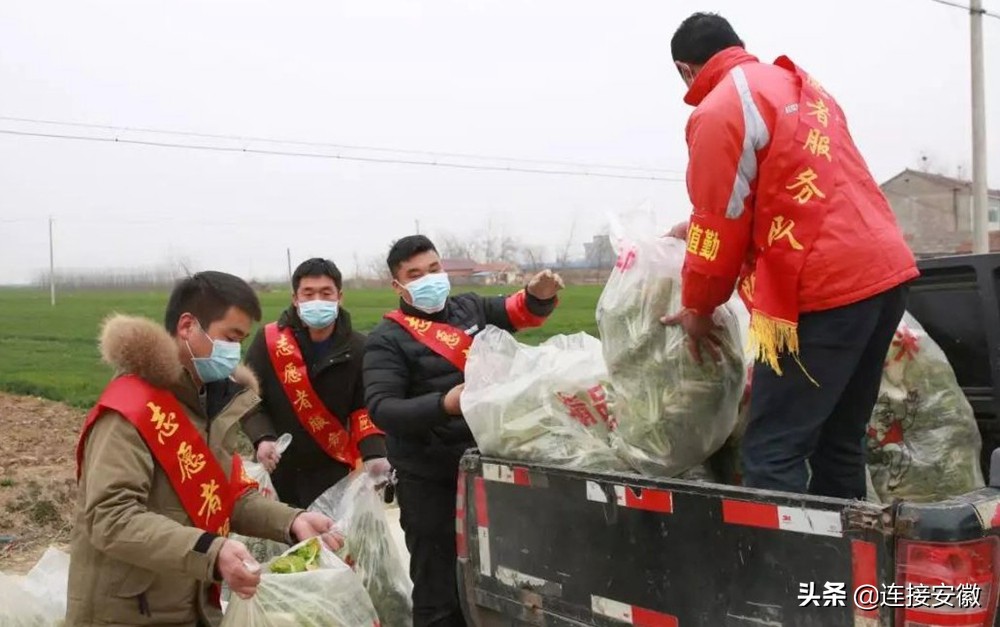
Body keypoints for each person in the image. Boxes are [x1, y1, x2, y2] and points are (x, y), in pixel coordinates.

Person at [662, 13, 919, 500]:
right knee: (838, 443)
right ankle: (842, 571)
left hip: (823, 293)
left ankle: (782, 576)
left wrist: (698, 308)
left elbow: (719, 225)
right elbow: (791, 194)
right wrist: (697, 225)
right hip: (884, 276)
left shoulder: (720, 108)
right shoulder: (800, 88)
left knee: (772, 453)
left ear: (686, 69)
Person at [68, 271, 340, 627]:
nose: (235, 353)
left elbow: (224, 494)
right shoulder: (131, 410)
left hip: (192, 602)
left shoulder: (209, 405)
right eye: (230, 337)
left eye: (241, 342)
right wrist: (211, 551)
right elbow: (111, 518)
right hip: (129, 610)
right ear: (187, 326)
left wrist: (292, 521)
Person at [364, 235, 563, 626]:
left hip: (487, 468)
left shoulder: (470, 307)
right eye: (415, 274)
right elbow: (382, 409)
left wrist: (539, 295)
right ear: (397, 285)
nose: (429, 279)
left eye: (434, 269)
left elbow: (518, 312)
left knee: (501, 574)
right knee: (438, 585)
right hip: (429, 480)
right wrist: (444, 405)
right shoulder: (386, 339)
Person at [241, 258, 389, 509]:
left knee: (334, 544)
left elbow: (364, 410)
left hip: (334, 471)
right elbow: (249, 399)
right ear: (295, 299)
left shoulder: (359, 348)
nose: (317, 300)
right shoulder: (269, 342)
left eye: (325, 292)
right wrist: (262, 438)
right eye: (308, 293)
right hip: (279, 467)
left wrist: (374, 456)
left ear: (339, 297)